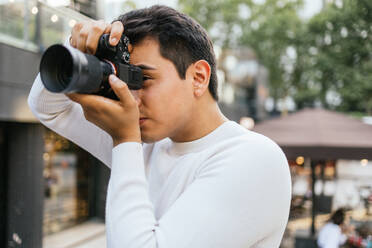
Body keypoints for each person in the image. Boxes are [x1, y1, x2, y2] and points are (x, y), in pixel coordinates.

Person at [28, 5, 291, 248]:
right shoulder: (147, 143)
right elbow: (46, 105)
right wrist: (80, 46)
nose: (130, 97)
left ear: (198, 77)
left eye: (142, 78)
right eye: (123, 79)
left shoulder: (253, 158)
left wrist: (124, 140)